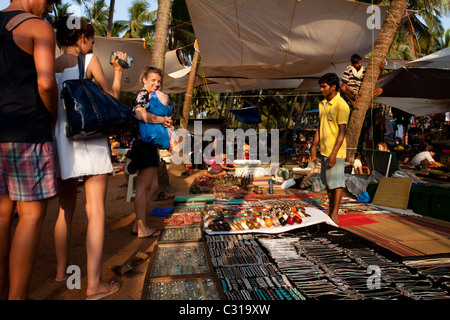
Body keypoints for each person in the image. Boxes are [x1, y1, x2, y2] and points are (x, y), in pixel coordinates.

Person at [53, 17, 127, 300]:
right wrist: (118, 72)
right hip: (90, 141)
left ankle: (62, 272)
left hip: (62, 142)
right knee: (95, 209)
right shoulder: (90, 61)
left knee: (65, 209)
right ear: (82, 37)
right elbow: (112, 102)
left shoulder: (52, 63)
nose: (92, 44)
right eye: (91, 39)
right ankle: (94, 284)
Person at [0, 0, 58, 300]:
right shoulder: (37, 26)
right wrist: (52, 117)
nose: (48, 10)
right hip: (27, 131)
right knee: (30, 216)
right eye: (49, 3)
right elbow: (46, 82)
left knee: (1, 216)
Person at [128, 66, 173, 238]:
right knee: (142, 187)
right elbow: (140, 114)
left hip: (149, 146)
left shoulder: (152, 97)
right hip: (143, 145)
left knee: (153, 186)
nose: (156, 84)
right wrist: (162, 120)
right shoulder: (142, 94)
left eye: (159, 81)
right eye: (153, 80)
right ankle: (141, 228)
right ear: (144, 79)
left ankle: (136, 223)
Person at [310, 73, 350, 225]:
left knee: (337, 183)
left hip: (336, 152)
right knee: (328, 182)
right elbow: (320, 126)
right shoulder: (322, 104)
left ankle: (335, 213)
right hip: (325, 150)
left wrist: (334, 153)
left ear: (333, 87)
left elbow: (342, 131)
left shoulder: (342, 105)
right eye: (320, 86)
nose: (321, 89)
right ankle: (330, 208)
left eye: (324, 86)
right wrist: (314, 146)